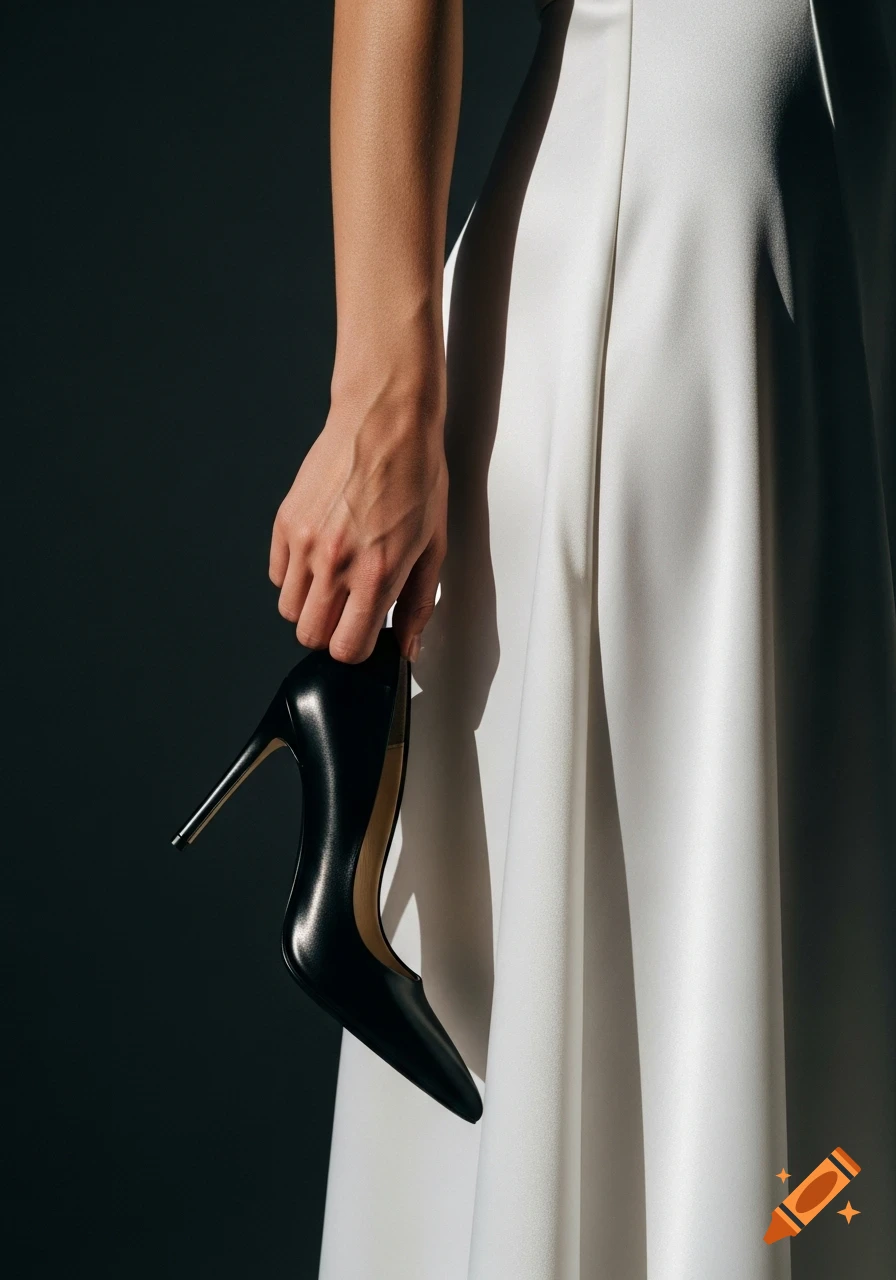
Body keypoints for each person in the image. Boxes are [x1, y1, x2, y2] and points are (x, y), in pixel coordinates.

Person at [269, 1, 896, 1277]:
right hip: (685, 268)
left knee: (814, 1101)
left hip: (836, 267)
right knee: (655, 1068)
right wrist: (381, 393)